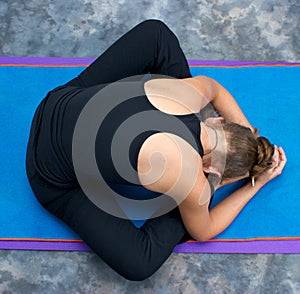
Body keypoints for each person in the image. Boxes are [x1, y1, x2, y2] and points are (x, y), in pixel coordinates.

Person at [25, 19, 286, 281]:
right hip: (47, 175)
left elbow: (216, 90)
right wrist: (253, 183)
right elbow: (203, 231)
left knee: (157, 34)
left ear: (217, 120)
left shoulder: (192, 92)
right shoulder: (192, 179)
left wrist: (250, 137)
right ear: (211, 170)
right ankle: (194, 197)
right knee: (140, 262)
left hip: (57, 101)